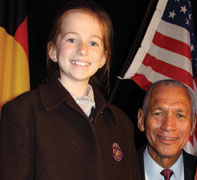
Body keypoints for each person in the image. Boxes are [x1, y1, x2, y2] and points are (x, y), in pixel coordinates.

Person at [0, 1, 140, 179]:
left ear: (104, 58)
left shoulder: (121, 124)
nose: (82, 50)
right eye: (72, 40)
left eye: (93, 43)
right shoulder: (22, 112)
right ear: (52, 51)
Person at [136, 79, 197, 180]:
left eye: (179, 115)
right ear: (141, 120)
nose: (168, 126)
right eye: (158, 114)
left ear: (193, 125)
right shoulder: (116, 170)